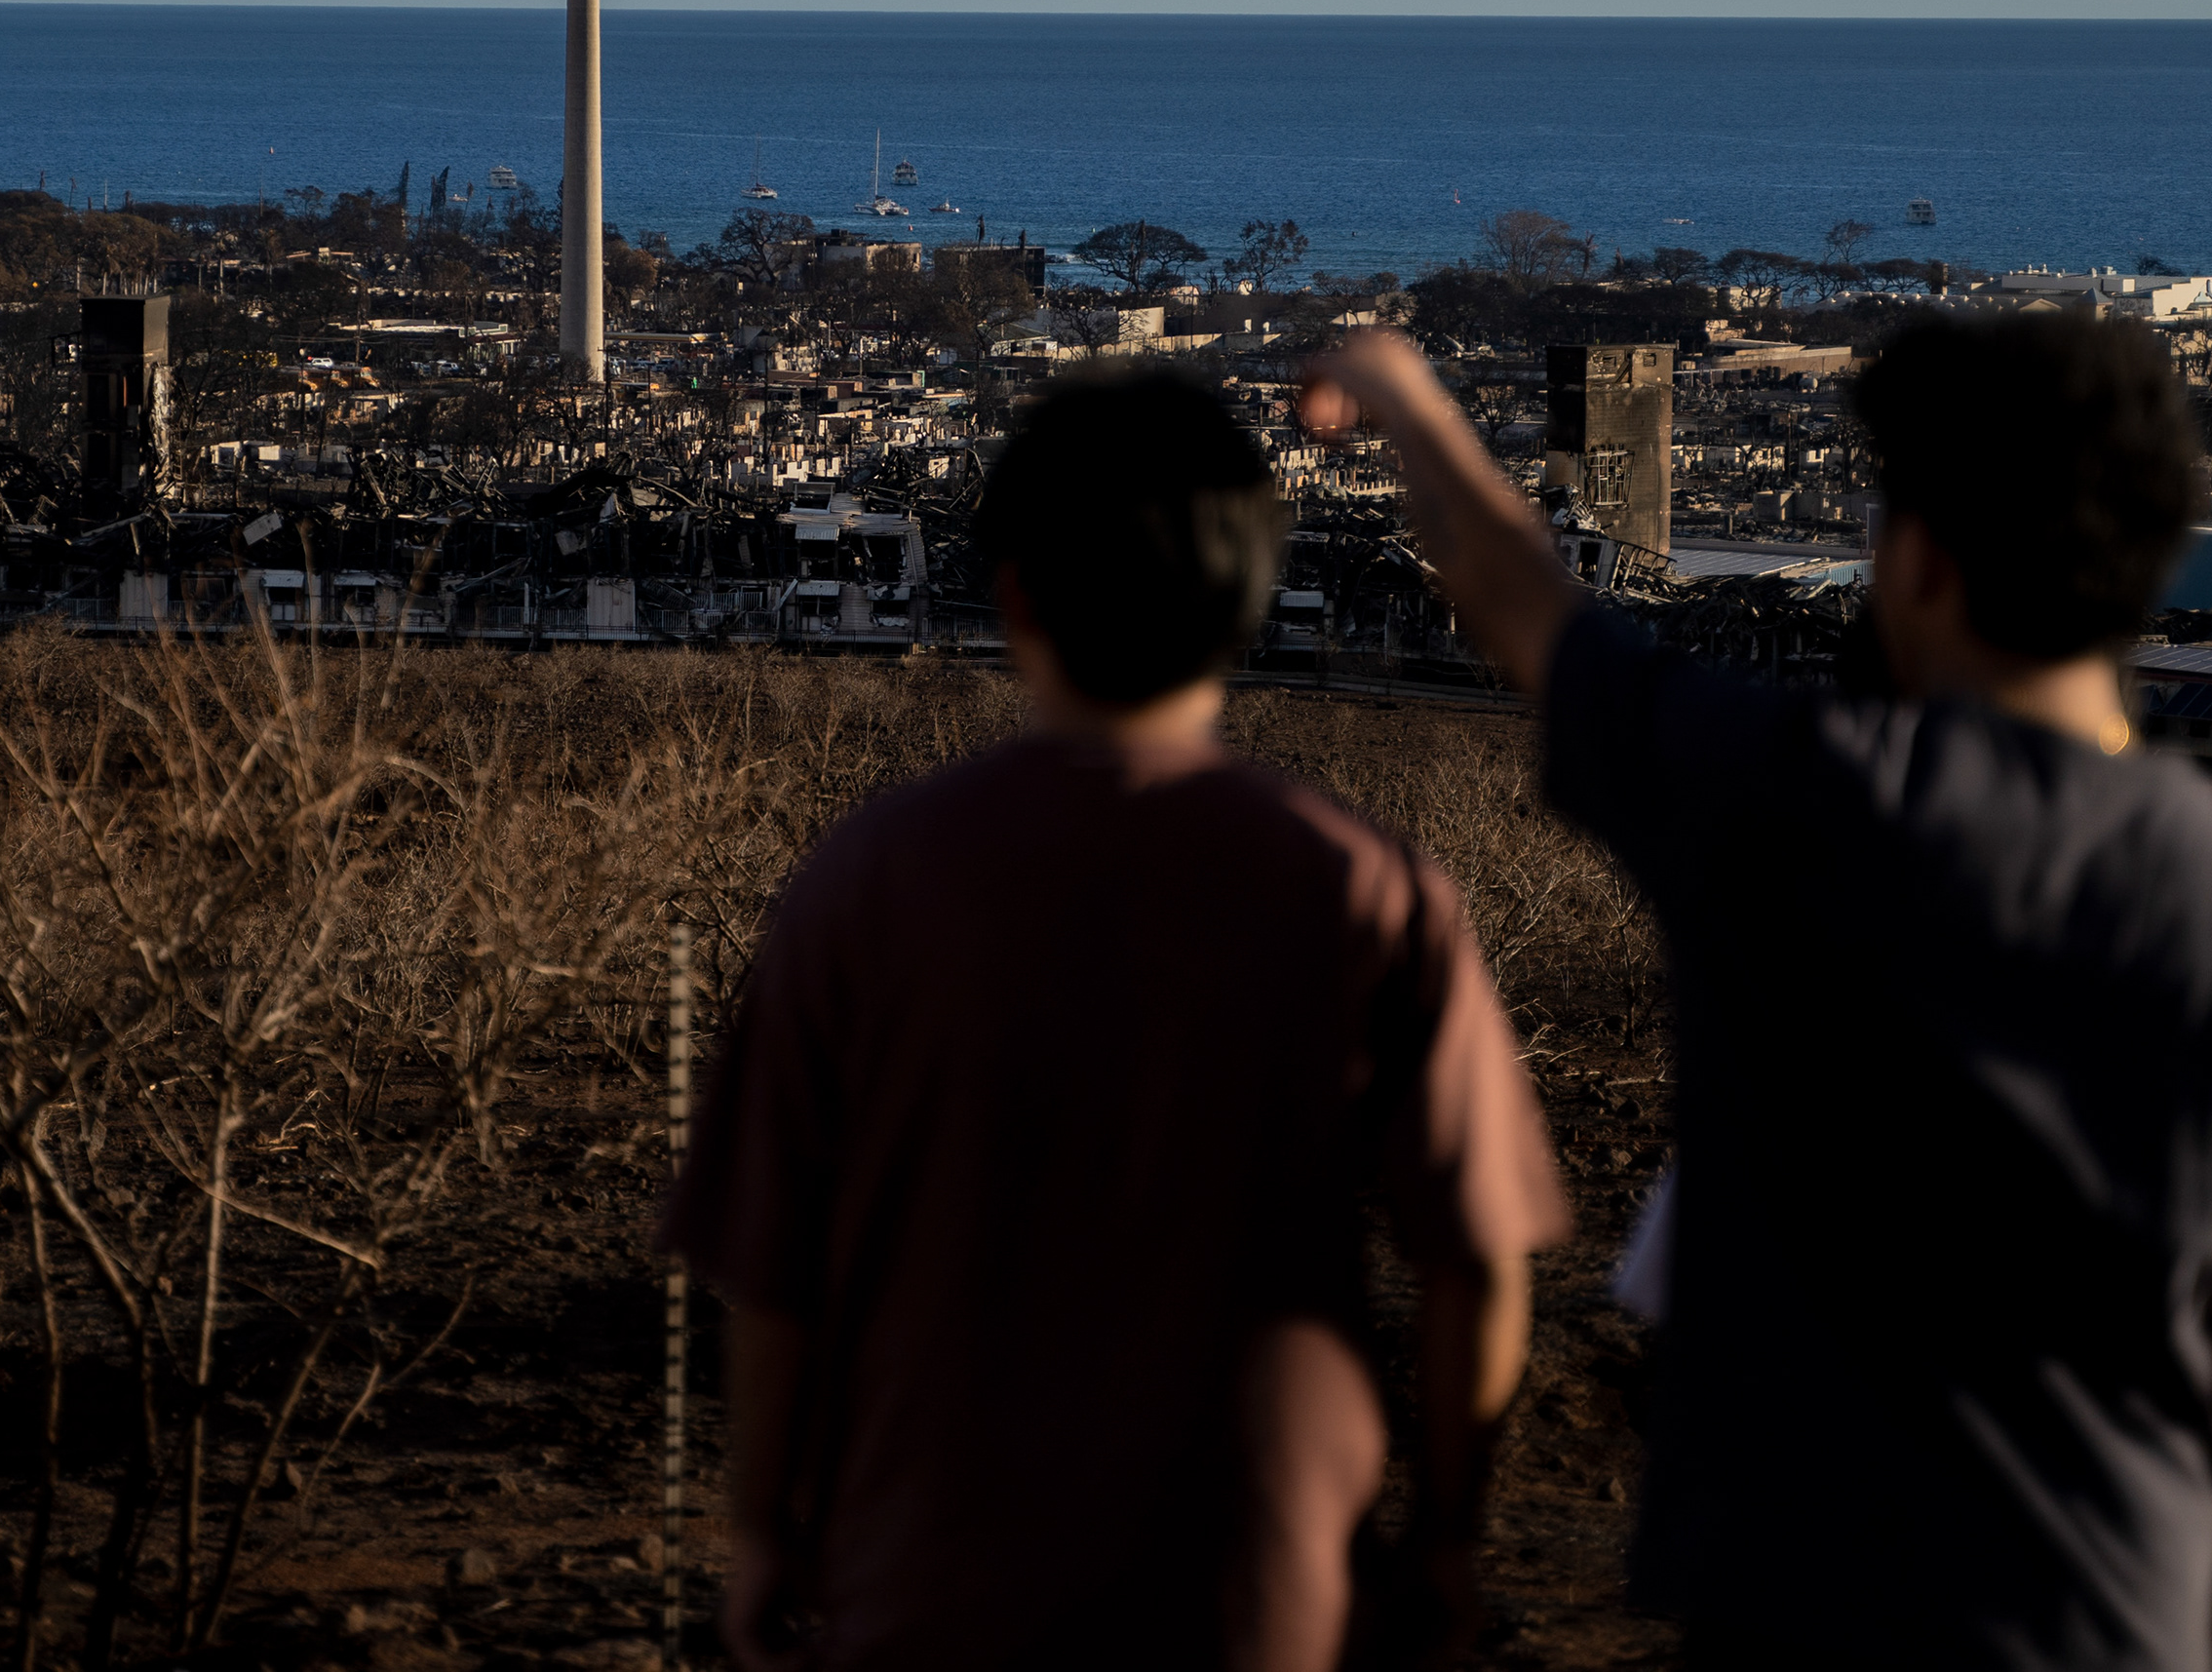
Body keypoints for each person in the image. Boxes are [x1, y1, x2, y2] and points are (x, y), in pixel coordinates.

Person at [1302, 314, 2212, 1672]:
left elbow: (1518, 594)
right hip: (2118, 1612)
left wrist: (1402, 390)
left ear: (1921, 561)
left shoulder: (1791, 802)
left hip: (1797, 1599)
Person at [663, 369, 1570, 1671]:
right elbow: (1477, 1263)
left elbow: (771, 1272)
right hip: (1265, 1582)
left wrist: (765, 1529)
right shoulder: (1363, 887)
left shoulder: (866, 886)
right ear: (1250, 604)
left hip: (933, 1573)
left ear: (1016, 592)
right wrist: (1446, 1538)